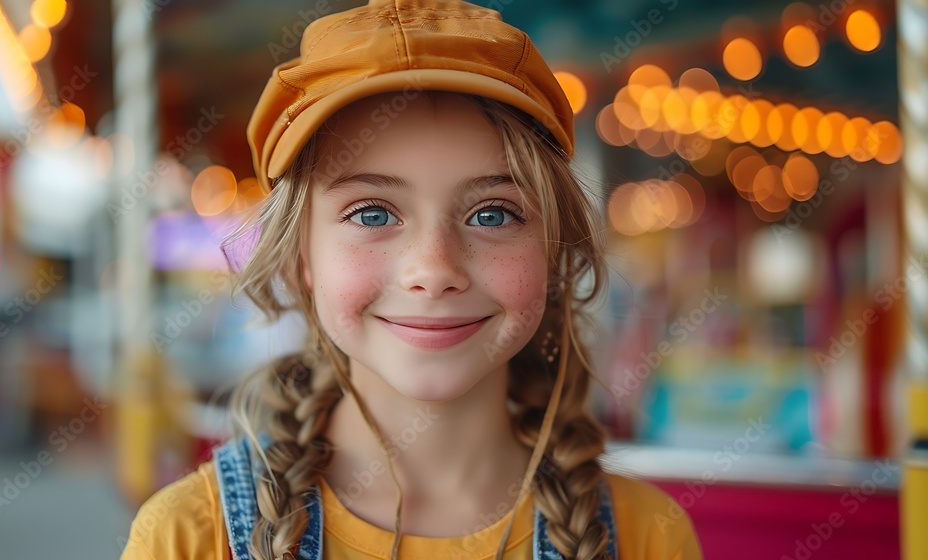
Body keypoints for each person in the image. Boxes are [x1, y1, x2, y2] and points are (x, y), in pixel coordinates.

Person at [121, 1, 702, 558]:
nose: (434, 270)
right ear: (303, 257)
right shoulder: (190, 538)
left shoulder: (647, 537)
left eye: (492, 214)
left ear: (552, 254)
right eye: (372, 214)